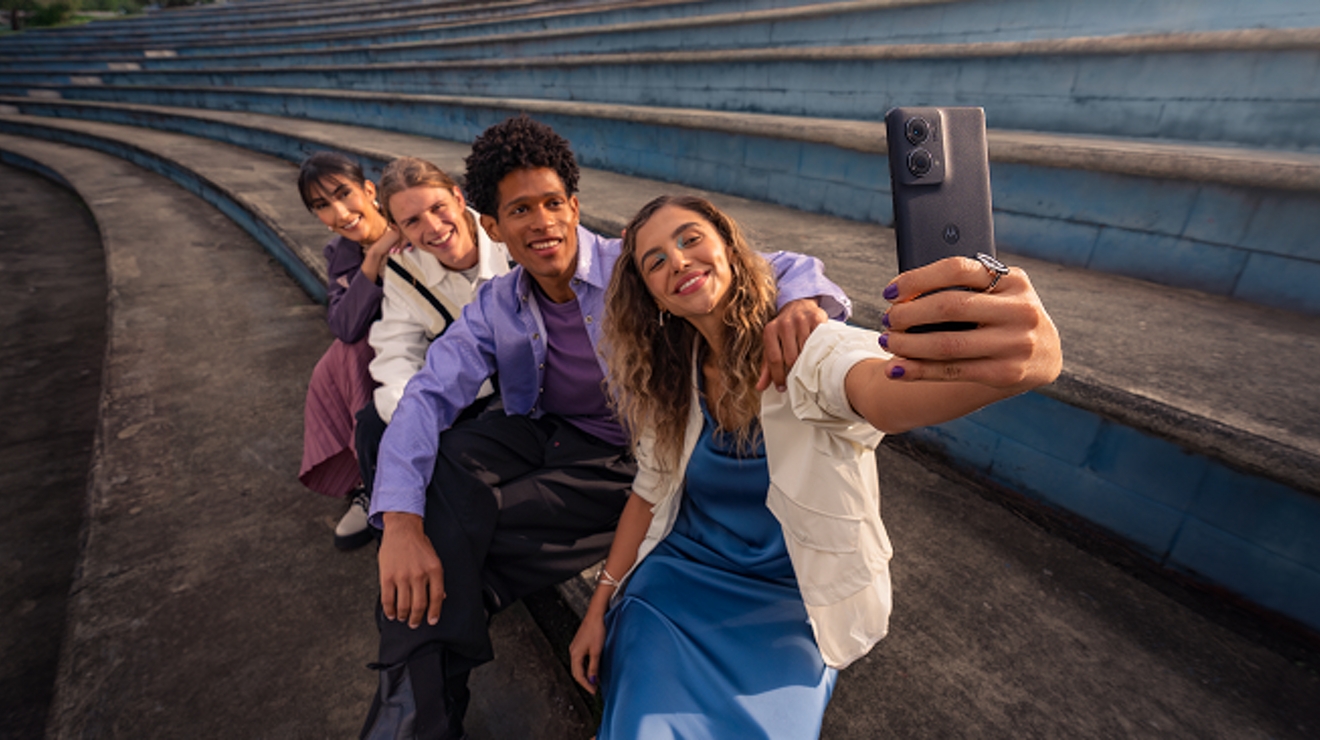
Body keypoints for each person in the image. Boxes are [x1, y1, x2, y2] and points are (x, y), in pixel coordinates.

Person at [360, 116, 850, 740]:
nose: (542, 223)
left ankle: (410, 716)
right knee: (441, 471)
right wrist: (398, 525)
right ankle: (418, 706)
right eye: (519, 210)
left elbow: (779, 263)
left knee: (458, 536)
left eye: (553, 203)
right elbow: (426, 397)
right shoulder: (497, 303)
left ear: (574, 205)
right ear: (493, 226)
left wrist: (802, 304)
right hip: (552, 430)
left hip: (637, 454)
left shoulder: (634, 262)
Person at [567, 195, 1063, 738]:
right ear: (652, 297)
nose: (678, 261)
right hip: (676, 585)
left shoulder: (805, 345)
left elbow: (875, 389)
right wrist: (599, 606)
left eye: (690, 239)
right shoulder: (672, 378)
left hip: (790, 605)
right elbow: (649, 490)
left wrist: (1007, 368)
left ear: (731, 250)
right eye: (655, 260)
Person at [352, 156, 511, 516]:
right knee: (373, 426)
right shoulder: (404, 269)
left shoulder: (507, 236)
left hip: (524, 387)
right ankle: (391, 526)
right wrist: (412, 418)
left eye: (438, 207)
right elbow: (397, 351)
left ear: (458, 197)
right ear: (398, 230)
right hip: (461, 392)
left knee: (457, 458)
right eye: (412, 221)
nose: (434, 227)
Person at [295, 151, 402, 551]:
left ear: (369, 190)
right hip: (377, 354)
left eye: (345, 195)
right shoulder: (340, 253)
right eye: (322, 206)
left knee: (350, 355)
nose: (339, 213)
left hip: (425, 345)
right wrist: (374, 257)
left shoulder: (411, 224)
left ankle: (376, 481)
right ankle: (368, 479)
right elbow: (343, 324)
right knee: (349, 351)